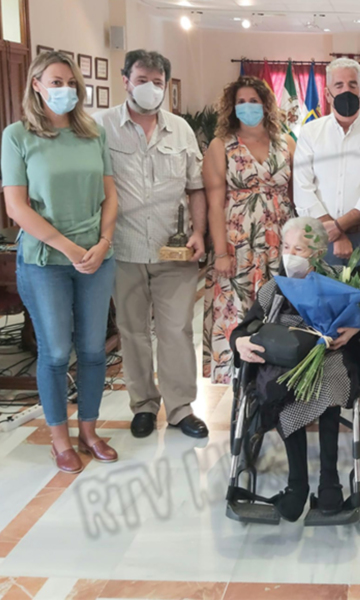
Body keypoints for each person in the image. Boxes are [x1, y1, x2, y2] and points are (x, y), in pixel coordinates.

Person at [2, 52, 118, 473]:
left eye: (70, 82)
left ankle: (88, 431)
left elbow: (111, 195)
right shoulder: (17, 136)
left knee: (92, 350)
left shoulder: (92, 133)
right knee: (54, 352)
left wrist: (104, 242)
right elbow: (17, 207)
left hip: (97, 258)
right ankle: (59, 439)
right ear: (36, 84)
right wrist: (69, 248)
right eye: (55, 81)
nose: (65, 89)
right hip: (46, 260)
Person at [94, 50, 208, 440]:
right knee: (132, 331)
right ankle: (143, 404)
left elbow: (196, 188)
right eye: (142, 79)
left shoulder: (181, 130)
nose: (150, 88)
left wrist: (199, 232)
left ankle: (180, 408)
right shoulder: (100, 127)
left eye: (157, 82)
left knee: (176, 330)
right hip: (122, 248)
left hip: (172, 250)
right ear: (125, 79)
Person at [229, 217, 360, 521]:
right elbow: (244, 327)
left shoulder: (337, 281)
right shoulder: (274, 287)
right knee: (282, 391)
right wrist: (240, 343)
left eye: (298, 248)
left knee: (328, 386)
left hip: (326, 353)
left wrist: (353, 329)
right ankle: (297, 486)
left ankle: (330, 482)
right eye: (286, 247)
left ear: (316, 253)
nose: (289, 254)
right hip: (284, 357)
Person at [203, 76, 295, 384]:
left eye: (253, 101)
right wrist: (220, 252)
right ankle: (243, 385)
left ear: (266, 105)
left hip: (281, 242)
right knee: (240, 313)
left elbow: (297, 195)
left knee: (281, 310)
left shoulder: (286, 143)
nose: (247, 107)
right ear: (231, 108)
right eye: (241, 102)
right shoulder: (221, 146)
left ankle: (279, 380)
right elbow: (214, 204)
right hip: (238, 244)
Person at [293, 57, 360, 275]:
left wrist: (338, 227)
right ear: (327, 93)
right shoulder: (311, 132)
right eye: (338, 85)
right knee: (321, 306)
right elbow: (302, 189)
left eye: (352, 84)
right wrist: (336, 233)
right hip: (320, 238)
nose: (346, 90)